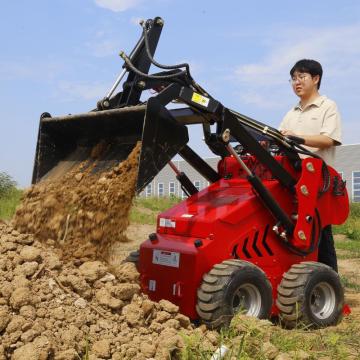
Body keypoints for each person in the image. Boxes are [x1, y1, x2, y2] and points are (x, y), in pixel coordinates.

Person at [279, 59, 342, 272]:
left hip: (319, 182)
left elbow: (328, 139)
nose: (297, 82)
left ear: (316, 79)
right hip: (294, 180)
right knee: (293, 231)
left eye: (302, 77)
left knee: (321, 233)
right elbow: (281, 139)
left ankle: (330, 288)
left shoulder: (328, 106)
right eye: (293, 78)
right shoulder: (291, 112)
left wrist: (299, 138)